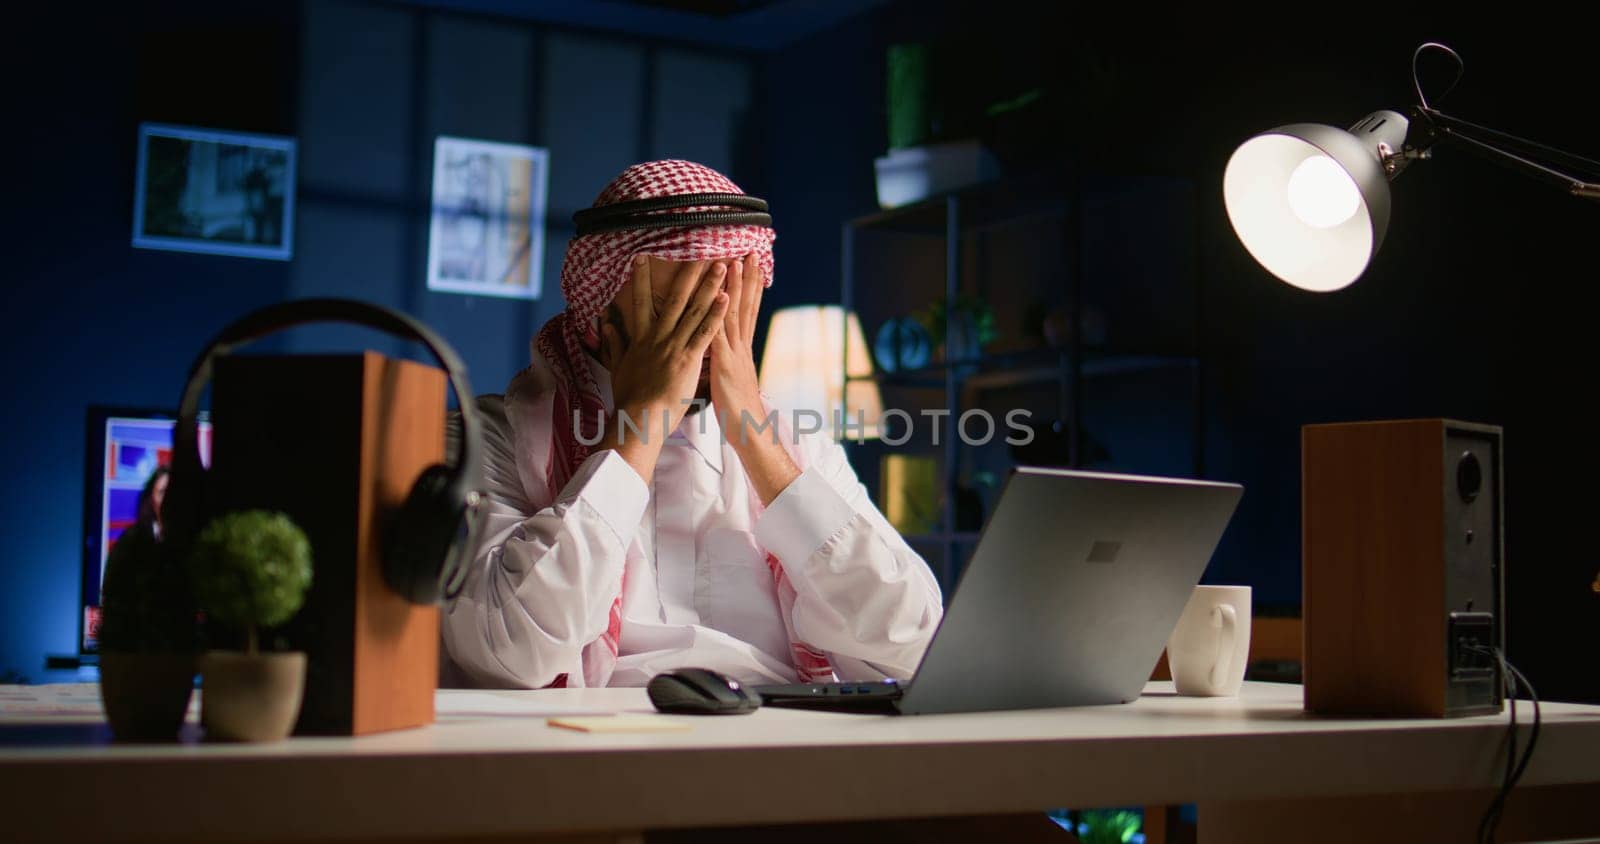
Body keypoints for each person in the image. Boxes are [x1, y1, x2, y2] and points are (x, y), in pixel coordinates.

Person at [441, 160, 944, 689]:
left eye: (725, 309)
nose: (702, 335)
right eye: (676, 310)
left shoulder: (799, 446)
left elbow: (914, 645)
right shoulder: (491, 437)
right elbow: (510, 655)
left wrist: (755, 436)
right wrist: (639, 426)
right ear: (597, 309)